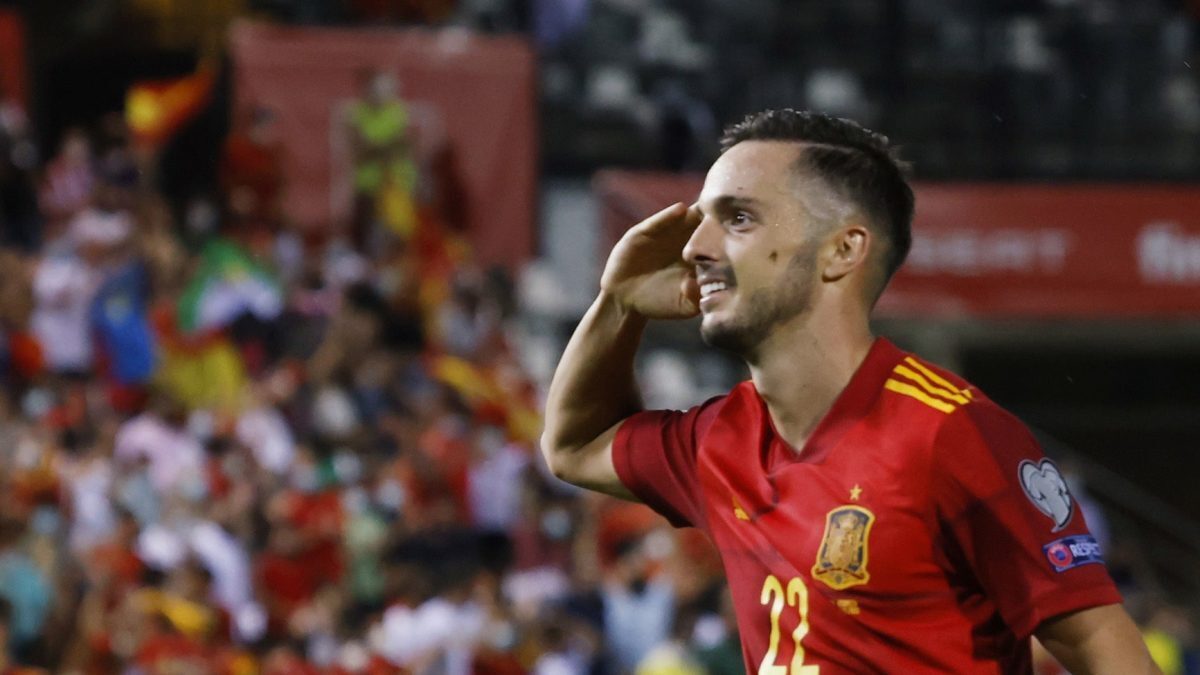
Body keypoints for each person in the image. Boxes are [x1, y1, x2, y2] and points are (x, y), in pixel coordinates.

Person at [541, 109, 1159, 674]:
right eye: (703, 221)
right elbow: (573, 445)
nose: (696, 247)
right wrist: (617, 304)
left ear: (842, 250)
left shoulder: (951, 434)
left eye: (738, 218)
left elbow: (1102, 648)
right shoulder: (718, 440)